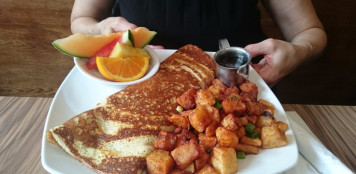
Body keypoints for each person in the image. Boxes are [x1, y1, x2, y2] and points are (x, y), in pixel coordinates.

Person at [70, 0, 327, 87]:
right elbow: (81, 19)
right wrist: (101, 29)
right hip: (132, 88)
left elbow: (310, 31)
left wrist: (300, 51)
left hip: (236, 93)